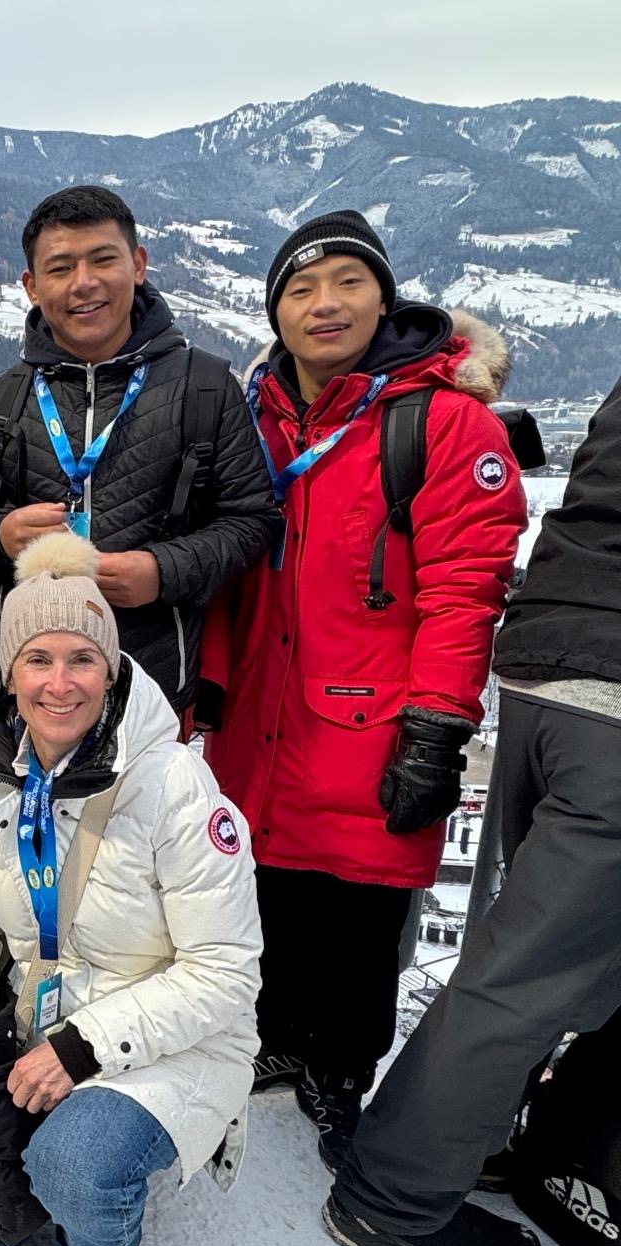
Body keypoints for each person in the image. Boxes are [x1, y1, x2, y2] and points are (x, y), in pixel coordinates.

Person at [199, 211, 527, 1169]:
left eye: (348, 282)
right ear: (275, 313)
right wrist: (204, 692)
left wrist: (435, 729)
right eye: (300, 289)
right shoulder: (253, 417)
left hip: (371, 721)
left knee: (359, 912)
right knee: (261, 892)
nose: (324, 304)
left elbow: (465, 591)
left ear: (385, 299)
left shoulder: (441, 422)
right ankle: (269, 1042)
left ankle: (339, 1072)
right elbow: (220, 567)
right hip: (255, 719)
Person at [323, 368, 621, 1246]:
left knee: (540, 955)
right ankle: (390, 1197)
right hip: (613, 709)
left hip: (548, 669)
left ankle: (490, 1141)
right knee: (530, 974)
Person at [0, 532, 262, 1246]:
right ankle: (74, 1167)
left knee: (74, 1167)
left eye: (82, 659)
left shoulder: (175, 786)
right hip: (43, 1021)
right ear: (7, 672)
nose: (59, 683)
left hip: (173, 1038)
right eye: (37, 659)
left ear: (110, 669)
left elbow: (225, 974)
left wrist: (81, 1050)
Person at [0, 185, 275, 723]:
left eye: (102, 259)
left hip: (155, 691)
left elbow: (251, 520)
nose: (84, 283)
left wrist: (162, 571)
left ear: (138, 264)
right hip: (31, 694)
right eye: (60, 268)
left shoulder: (206, 388)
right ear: (32, 287)